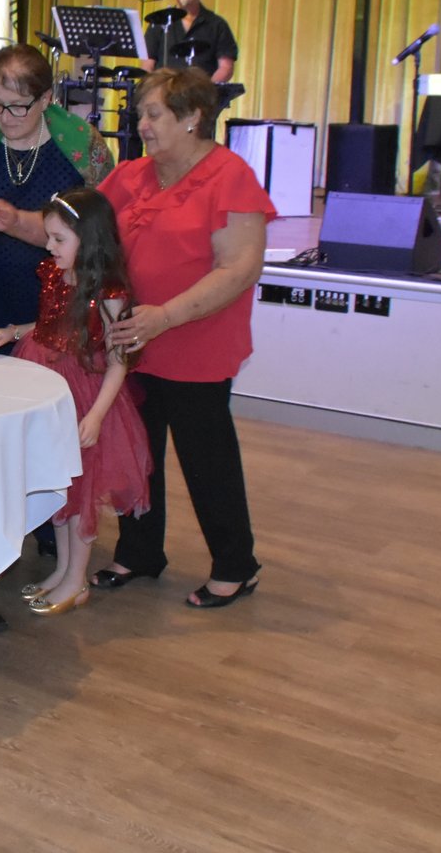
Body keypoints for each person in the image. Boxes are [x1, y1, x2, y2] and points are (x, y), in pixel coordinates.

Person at [96, 67, 276, 607]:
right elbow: (81, 225)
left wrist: (166, 316)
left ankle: (236, 565)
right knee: (137, 452)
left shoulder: (229, 177)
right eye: (140, 115)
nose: (142, 125)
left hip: (197, 344)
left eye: (153, 115)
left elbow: (239, 269)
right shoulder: (132, 175)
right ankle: (140, 551)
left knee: (206, 459)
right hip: (136, 342)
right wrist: (16, 220)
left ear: (193, 117)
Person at [0, 187, 151, 617]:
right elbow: (52, 323)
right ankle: (62, 570)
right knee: (59, 486)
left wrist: (96, 415)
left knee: (81, 488)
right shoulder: (57, 273)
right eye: (49, 237)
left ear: (89, 239)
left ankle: (77, 579)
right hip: (48, 386)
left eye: (59, 239)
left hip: (83, 394)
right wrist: (15, 331)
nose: (49, 246)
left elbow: (118, 360)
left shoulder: (109, 292)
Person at [0, 44, 114, 346]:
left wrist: (16, 221)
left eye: (17, 106)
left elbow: (96, 234)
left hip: (59, 303)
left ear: (46, 98)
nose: (4, 117)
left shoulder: (82, 145)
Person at [143, 0, 238, 84]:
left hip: (202, 92)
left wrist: (207, 89)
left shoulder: (217, 24)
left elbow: (226, 68)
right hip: (165, 91)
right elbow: (148, 64)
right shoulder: (159, 21)